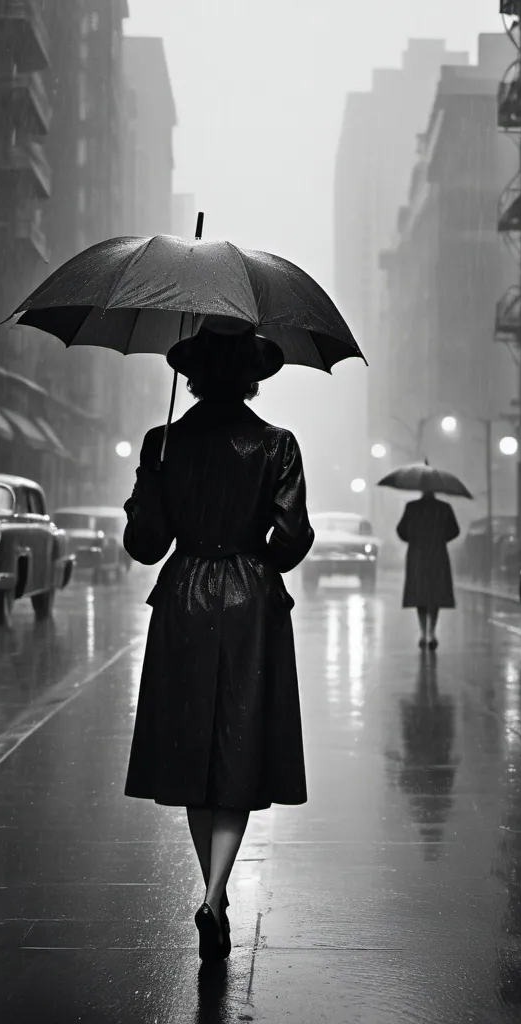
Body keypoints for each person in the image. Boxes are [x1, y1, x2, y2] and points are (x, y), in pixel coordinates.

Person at [122, 320, 314, 964]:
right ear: (252, 376)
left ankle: (215, 896)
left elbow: (146, 545)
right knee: (238, 744)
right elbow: (289, 544)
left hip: (183, 599)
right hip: (251, 599)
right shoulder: (278, 446)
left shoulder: (165, 442)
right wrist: (255, 541)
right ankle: (214, 895)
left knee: (191, 749)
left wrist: (149, 486)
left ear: (195, 374)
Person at [396, 490, 460, 649]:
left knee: (420, 594)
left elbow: (401, 530)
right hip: (437, 553)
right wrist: (440, 538)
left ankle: (423, 632)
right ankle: (432, 632)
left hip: (417, 554)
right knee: (435, 594)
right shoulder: (444, 508)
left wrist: (413, 538)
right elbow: (455, 531)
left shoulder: (412, 507)